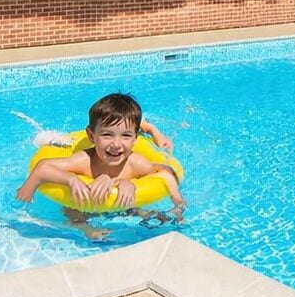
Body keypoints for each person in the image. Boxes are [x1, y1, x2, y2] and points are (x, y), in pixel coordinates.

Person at [15, 93, 185, 240]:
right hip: (81, 208)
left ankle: (143, 213)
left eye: (126, 136)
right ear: (91, 136)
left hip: (122, 206)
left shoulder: (136, 163)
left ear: (135, 140)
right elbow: (43, 167)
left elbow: (166, 171)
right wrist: (70, 179)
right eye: (107, 135)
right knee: (75, 215)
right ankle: (82, 228)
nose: (116, 144)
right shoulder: (84, 161)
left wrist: (127, 183)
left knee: (134, 210)